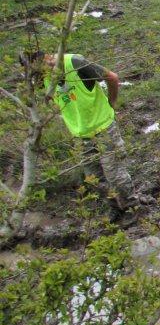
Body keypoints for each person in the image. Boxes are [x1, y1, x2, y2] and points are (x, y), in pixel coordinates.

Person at [39, 52, 136, 217]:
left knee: (114, 174)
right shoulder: (41, 78)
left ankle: (132, 207)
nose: (44, 69)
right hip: (80, 135)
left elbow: (112, 77)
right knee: (94, 178)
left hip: (104, 127)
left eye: (43, 63)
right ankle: (114, 208)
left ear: (46, 56)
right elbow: (48, 100)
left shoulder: (75, 63)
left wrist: (112, 103)